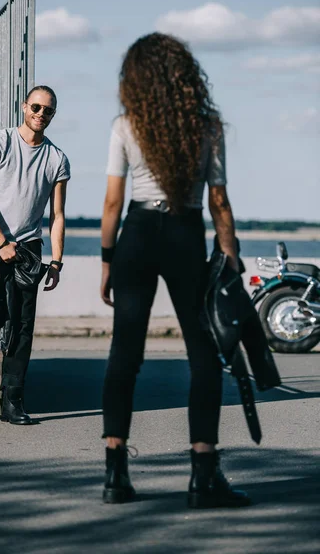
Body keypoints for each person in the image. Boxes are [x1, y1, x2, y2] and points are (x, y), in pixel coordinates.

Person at [100, 33, 251, 508]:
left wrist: (107, 260)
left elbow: (111, 202)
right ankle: (203, 477)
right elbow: (219, 202)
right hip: (186, 235)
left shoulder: (126, 125)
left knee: (125, 351)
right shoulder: (207, 126)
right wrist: (229, 258)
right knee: (203, 353)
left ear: (135, 79)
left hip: (139, 234)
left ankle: (115, 475)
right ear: (187, 77)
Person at [0, 85, 70, 425]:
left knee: (21, 326)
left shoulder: (57, 159)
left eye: (48, 110)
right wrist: (1, 241)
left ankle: (12, 399)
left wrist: (57, 261)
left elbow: (58, 215)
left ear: (53, 115)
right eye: (36, 106)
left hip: (29, 250)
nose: (40, 113)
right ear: (24, 107)